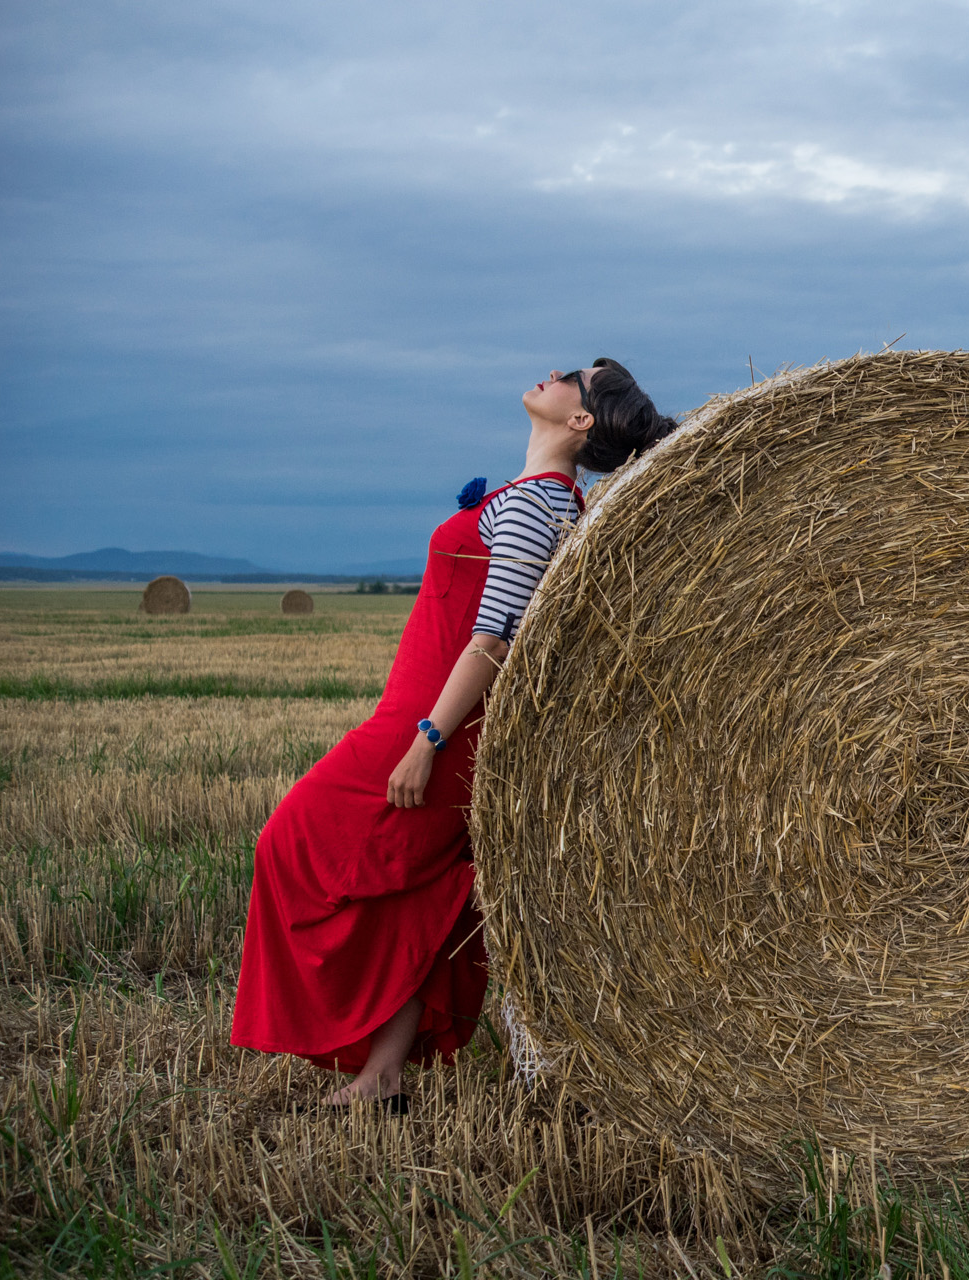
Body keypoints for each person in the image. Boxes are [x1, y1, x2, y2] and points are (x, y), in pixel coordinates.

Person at [232, 359, 678, 1109]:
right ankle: (382, 1072)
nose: (551, 372)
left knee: (288, 842)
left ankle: (367, 1049)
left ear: (582, 423)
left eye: (572, 376)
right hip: (427, 719)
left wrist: (426, 743)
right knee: (418, 893)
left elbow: (495, 638)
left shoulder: (540, 505)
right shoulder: (540, 497)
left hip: (432, 730)